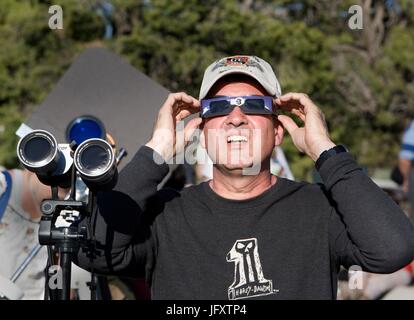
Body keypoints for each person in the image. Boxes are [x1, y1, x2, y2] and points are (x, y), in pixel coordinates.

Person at [75, 55, 414, 300]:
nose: (236, 118)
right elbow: (94, 252)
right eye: (219, 108)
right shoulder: (164, 213)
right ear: (202, 131)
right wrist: (157, 150)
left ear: (278, 130)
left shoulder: (318, 207)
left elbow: (393, 250)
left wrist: (324, 150)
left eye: (253, 105)